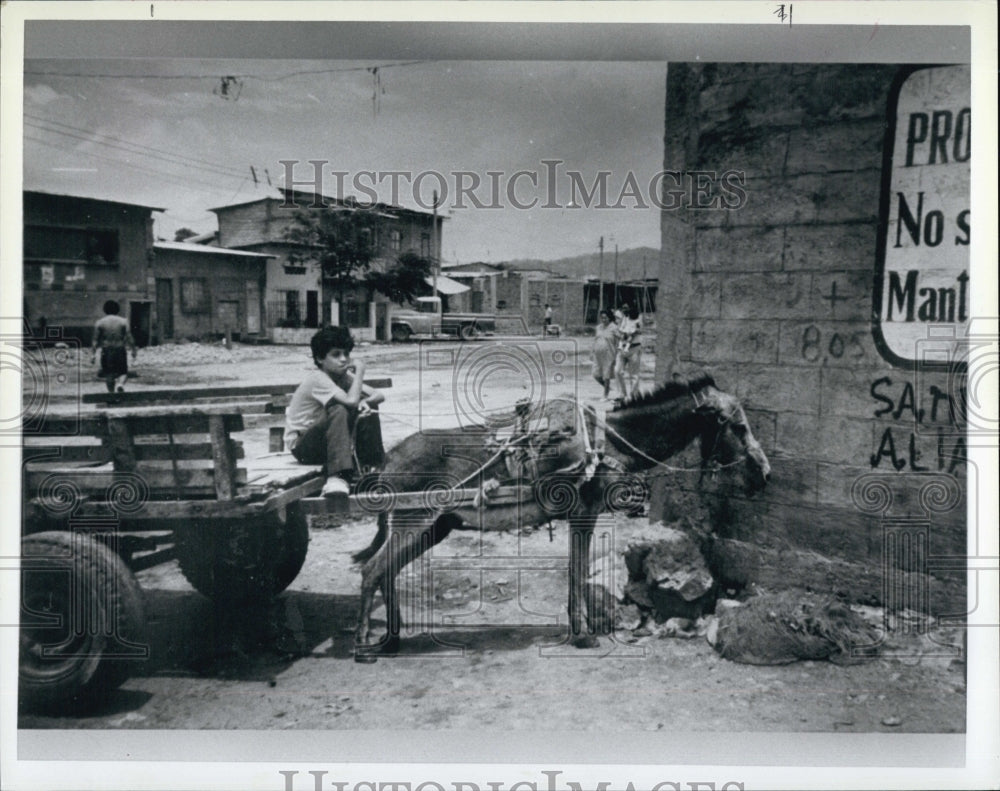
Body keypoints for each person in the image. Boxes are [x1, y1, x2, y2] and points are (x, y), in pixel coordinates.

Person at [284, 325, 385, 497]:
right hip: (304, 447)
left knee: (369, 407)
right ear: (320, 359)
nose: (344, 359)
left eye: (346, 354)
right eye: (336, 354)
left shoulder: (342, 377)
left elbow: (378, 395)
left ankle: (372, 469)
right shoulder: (318, 378)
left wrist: (366, 402)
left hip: (327, 444)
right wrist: (360, 371)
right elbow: (351, 401)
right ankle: (337, 477)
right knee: (338, 408)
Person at [91, 300, 137, 393]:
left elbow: (95, 340)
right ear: (117, 309)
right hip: (119, 348)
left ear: (105, 310)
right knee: (123, 372)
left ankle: (111, 394)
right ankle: (120, 384)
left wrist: (93, 354)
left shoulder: (100, 322)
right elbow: (129, 337)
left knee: (109, 374)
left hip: (106, 350)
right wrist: (133, 350)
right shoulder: (123, 321)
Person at [614, 303, 643, 400]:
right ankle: (622, 394)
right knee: (617, 371)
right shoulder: (624, 318)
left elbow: (639, 330)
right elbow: (620, 330)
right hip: (623, 347)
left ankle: (634, 395)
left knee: (634, 374)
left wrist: (631, 333)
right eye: (623, 308)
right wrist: (622, 333)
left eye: (627, 308)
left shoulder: (639, 318)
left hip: (634, 347)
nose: (625, 310)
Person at [591, 310, 618, 399]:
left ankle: (605, 395)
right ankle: (608, 389)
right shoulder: (598, 327)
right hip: (597, 354)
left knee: (606, 375)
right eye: (602, 318)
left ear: (609, 318)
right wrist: (592, 352)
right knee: (595, 374)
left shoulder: (614, 327)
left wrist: (617, 355)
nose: (604, 319)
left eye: (605, 318)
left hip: (609, 353)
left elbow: (618, 342)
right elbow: (595, 340)